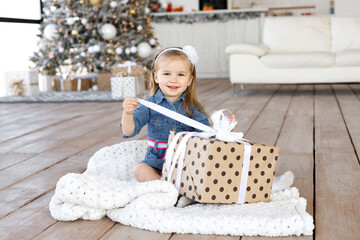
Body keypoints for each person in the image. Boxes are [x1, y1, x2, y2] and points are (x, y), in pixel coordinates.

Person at [121, 45, 210, 183]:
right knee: (140, 170)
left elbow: (206, 135)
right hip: (155, 163)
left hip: (183, 162)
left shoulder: (191, 108)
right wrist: (127, 113)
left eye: (180, 74)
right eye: (167, 74)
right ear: (156, 77)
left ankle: (171, 187)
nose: (173, 80)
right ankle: (172, 188)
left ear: (189, 80)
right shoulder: (148, 105)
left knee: (205, 169)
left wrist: (222, 129)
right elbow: (128, 131)